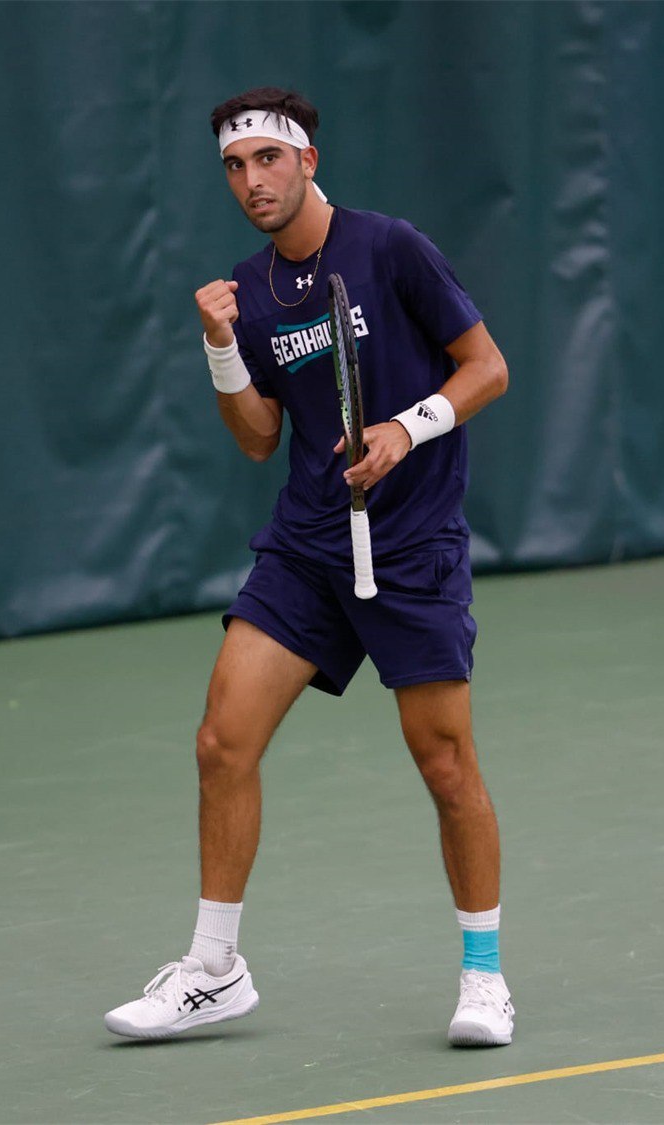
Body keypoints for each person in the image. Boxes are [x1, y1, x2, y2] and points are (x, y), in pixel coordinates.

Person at [104, 87, 512, 1047]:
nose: (252, 180)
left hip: (411, 547)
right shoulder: (249, 292)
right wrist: (219, 349)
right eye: (235, 168)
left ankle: (484, 977)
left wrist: (408, 431)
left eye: (267, 160)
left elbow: (485, 366)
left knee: (446, 764)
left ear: (306, 161)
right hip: (308, 547)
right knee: (221, 742)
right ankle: (213, 968)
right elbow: (256, 440)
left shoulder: (390, 248)